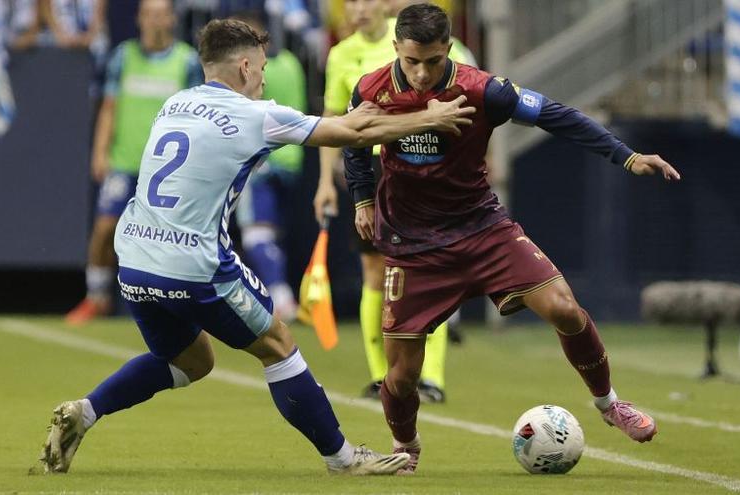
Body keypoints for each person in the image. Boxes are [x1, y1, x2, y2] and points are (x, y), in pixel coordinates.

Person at [40, 18, 475, 475]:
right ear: (245, 66)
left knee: (192, 360)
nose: (264, 77)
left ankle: (84, 412)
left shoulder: (175, 103)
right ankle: (344, 458)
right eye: (262, 67)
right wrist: (431, 117)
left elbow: (352, 123)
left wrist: (363, 114)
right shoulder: (256, 115)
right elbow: (353, 134)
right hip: (194, 264)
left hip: (133, 259)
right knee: (278, 344)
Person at [345, 4, 681, 474]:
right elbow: (354, 144)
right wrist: (362, 201)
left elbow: (555, 115)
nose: (422, 74)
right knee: (401, 377)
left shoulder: (484, 90)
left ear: (449, 49)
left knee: (565, 308)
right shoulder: (370, 88)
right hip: (412, 245)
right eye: (412, 61)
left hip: (483, 229)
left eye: (434, 61)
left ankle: (609, 405)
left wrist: (626, 157)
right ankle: (407, 446)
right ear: (397, 48)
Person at [313, 0, 473, 403]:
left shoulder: (408, 42)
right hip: (367, 169)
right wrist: (325, 182)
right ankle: (380, 376)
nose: (360, 8)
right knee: (373, 272)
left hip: (414, 161)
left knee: (427, 272)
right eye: (351, 1)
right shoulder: (341, 54)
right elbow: (335, 117)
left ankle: (431, 378)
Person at [66, 0, 203, 325]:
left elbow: (198, 116)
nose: (155, 20)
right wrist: (100, 151)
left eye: (161, 14)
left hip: (169, 169)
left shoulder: (186, 61)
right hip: (125, 162)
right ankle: (97, 296)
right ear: (139, 19)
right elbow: (109, 106)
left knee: (169, 238)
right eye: (149, 14)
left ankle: (174, 306)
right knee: (104, 229)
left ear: (171, 19)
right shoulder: (122, 57)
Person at [233, 11, 307, 322]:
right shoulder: (290, 62)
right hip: (291, 160)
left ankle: (282, 299)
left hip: (262, 160)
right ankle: (277, 295)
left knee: (255, 235)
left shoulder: (250, 70)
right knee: (271, 232)